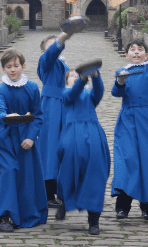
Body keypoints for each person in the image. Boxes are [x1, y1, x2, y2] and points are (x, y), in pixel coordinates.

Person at [111, 36, 148, 220]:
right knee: (127, 160)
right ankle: (123, 206)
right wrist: (120, 81)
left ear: (145, 55)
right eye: (132, 49)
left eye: (139, 49)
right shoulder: (122, 71)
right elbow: (116, 93)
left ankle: (147, 206)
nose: (136, 52)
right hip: (128, 118)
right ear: (127, 54)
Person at [0, 49, 47, 232]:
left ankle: (26, 213)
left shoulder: (32, 87)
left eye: (16, 66)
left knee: (26, 175)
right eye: (8, 67)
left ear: (23, 67)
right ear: (3, 69)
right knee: (8, 173)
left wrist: (31, 137)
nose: (13, 70)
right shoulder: (1, 89)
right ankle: (5, 216)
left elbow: (38, 115)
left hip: (25, 137)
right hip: (6, 137)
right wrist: (6, 115)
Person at [55, 68, 110, 236]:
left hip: (93, 133)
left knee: (96, 175)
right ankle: (64, 201)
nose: (76, 78)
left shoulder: (90, 96)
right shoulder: (65, 93)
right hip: (72, 134)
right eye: (72, 76)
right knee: (68, 173)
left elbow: (99, 91)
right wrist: (82, 78)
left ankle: (94, 220)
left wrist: (96, 76)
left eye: (76, 75)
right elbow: (73, 93)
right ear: (66, 82)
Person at [37, 32, 71, 207]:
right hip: (50, 107)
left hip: (65, 106)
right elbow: (51, 55)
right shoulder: (45, 62)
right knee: (49, 148)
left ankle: (63, 190)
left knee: (63, 147)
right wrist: (61, 39)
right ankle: (47, 192)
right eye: (51, 46)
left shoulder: (62, 64)